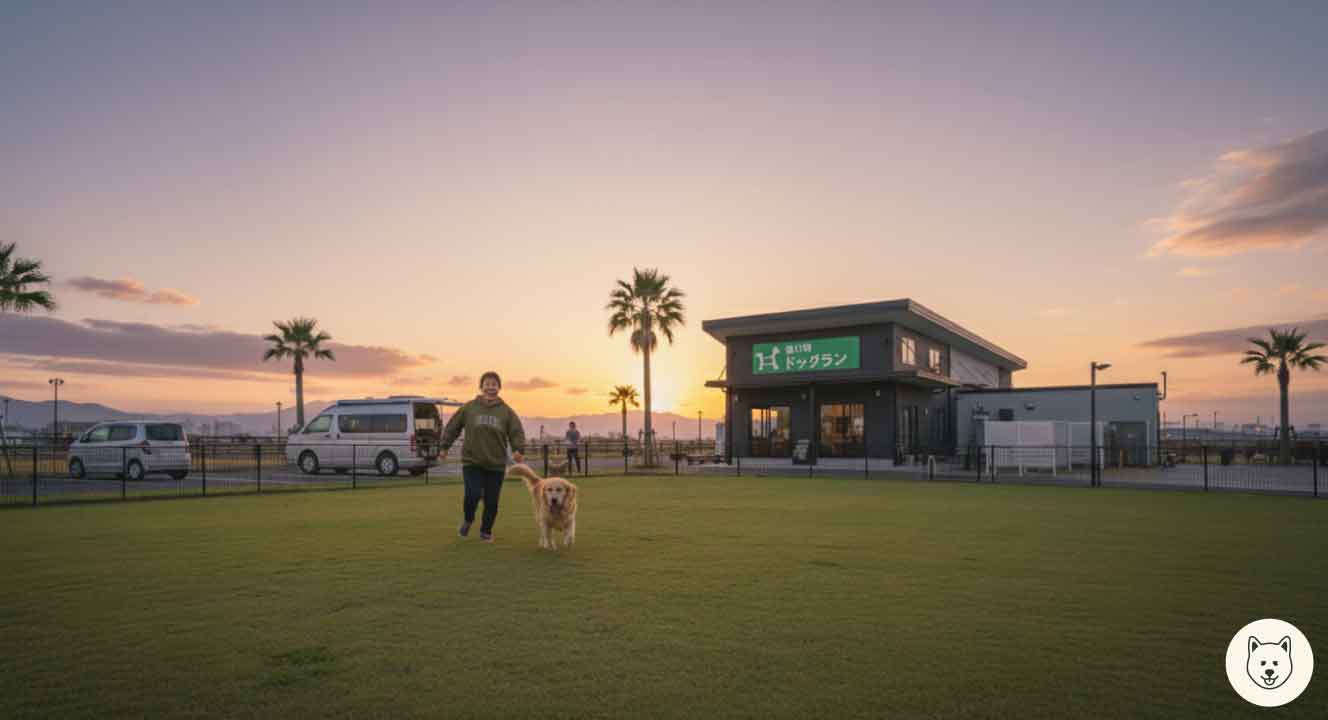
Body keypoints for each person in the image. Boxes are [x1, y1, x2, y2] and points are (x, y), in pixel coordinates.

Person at [440, 371, 526, 543]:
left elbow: (516, 431)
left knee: (492, 502)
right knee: (472, 495)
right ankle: (468, 519)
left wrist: (518, 449)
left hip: (495, 464)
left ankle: (486, 531)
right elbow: (453, 426)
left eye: (494, 384)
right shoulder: (469, 408)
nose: (491, 387)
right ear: (481, 387)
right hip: (472, 461)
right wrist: (444, 446)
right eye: (487, 384)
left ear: (499, 388)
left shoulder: (506, 411)